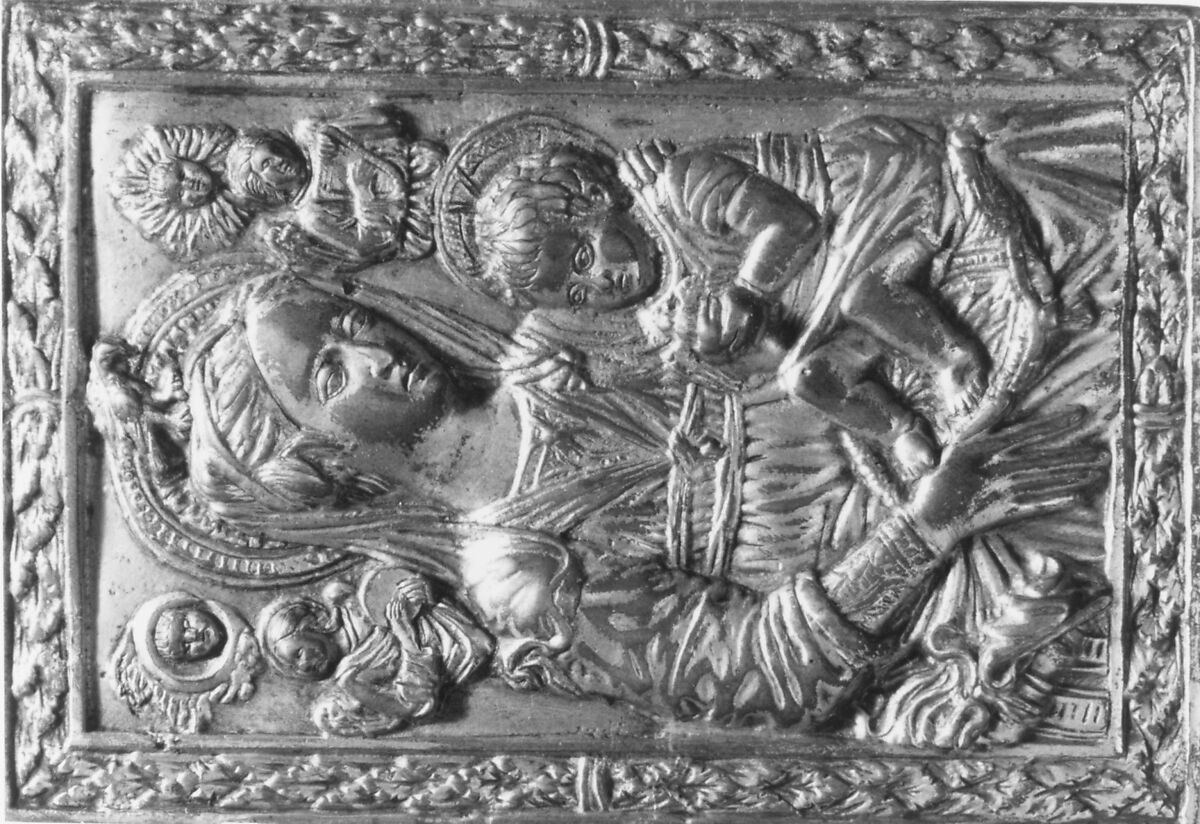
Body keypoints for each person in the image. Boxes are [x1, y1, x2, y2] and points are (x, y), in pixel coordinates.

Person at [93, 270, 1103, 732]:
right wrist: (930, 523)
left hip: (929, 395)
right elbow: (767, 676)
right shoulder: (521, 575)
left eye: (352, 322)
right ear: (322, 464)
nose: (374, 351)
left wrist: (739, 321)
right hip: (953, 554)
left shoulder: (556, 344)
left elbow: (770, 328)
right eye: (331, 372)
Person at [470, 118, 1052, 474]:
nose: (600, 282)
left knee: (863, 295)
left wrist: (747, 292)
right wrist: (726, 347)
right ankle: (901, 429)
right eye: (578, 295)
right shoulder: (665, 317)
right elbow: (771, 361)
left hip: (870, 202)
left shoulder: (678, 187)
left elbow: (792, 223)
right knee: (808, 379)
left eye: (583, 257)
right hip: (820, 308)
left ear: (598, 200)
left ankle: (954, 359)